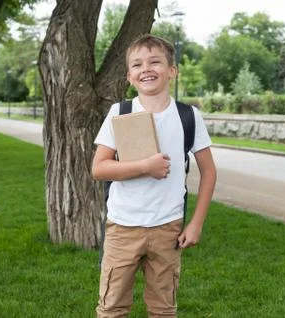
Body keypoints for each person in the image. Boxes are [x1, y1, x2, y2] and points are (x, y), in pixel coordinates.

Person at [91, 34, 216, 318]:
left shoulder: (188, 116)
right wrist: (146, 167)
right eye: (137, 65)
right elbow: (99, 169)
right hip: (123, 227)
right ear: (129, 76)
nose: (145, 69)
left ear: (172, 71)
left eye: (154, 62)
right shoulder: (120, 112)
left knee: (163, 309)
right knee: (111, 308)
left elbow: (209, 172)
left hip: (167, 228)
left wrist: (196, 223)